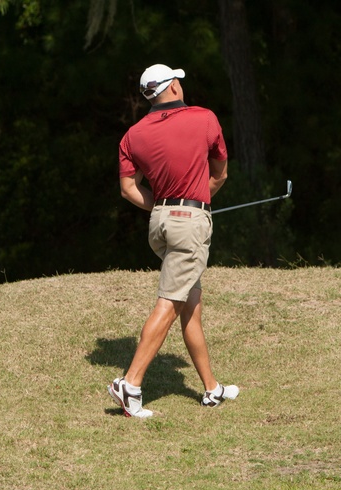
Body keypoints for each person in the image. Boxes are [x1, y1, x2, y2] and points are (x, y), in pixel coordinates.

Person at [108, 63, 239, 418]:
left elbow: (127, 189)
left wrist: (163, 206)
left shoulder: (132, 135)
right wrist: (196, 203)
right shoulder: (204, 118)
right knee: (169, 302)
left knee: (189, 303)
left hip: (160, 223)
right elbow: (220, 174)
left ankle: (212, 389)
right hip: (189, 223)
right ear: (174, 88)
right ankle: (131, 383)